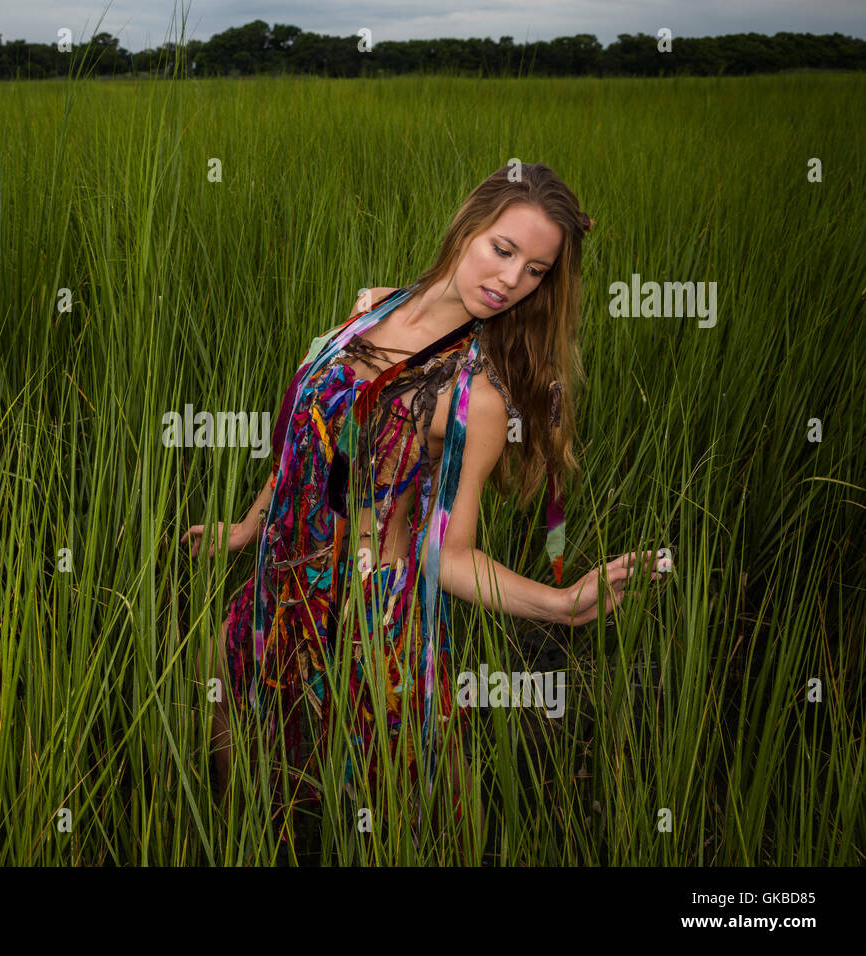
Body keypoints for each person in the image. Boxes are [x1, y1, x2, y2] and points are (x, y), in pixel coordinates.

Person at [184, 162, 660, 843]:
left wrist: (560, 606)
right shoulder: (371, 307)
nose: (510, 280)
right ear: (468, 226)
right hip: (273, 586)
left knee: (397, 799)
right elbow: (307, 438)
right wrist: (247, 527)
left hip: (367, 617)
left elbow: (448, 554)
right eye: (503, 249)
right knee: (232, 722)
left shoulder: (476, 397)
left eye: (535, 271)